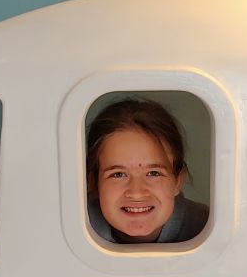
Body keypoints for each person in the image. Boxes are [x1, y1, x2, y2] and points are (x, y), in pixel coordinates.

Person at [87, 99, 208, 243]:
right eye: (118, 174)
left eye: (153, 173)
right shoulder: (71, 228)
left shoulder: (207, 227)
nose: (137, 193)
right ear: (94, 182)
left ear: (178, 181)